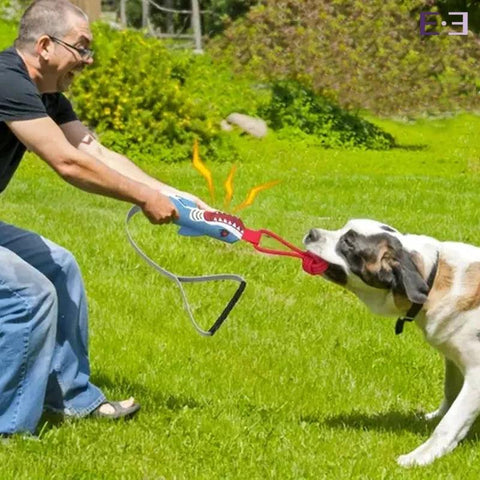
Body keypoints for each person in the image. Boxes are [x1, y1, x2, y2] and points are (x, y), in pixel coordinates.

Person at [0, 0, 210, 435]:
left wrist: (176, 197)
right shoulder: (5, 80)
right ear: (44, 45)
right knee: (29, 293)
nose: (88, 60)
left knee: (60, 267)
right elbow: (67, 163)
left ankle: (72, 400)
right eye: (82, 47)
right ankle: (10, 429)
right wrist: (144, 199)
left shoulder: (48, 94)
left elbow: (92, 151)